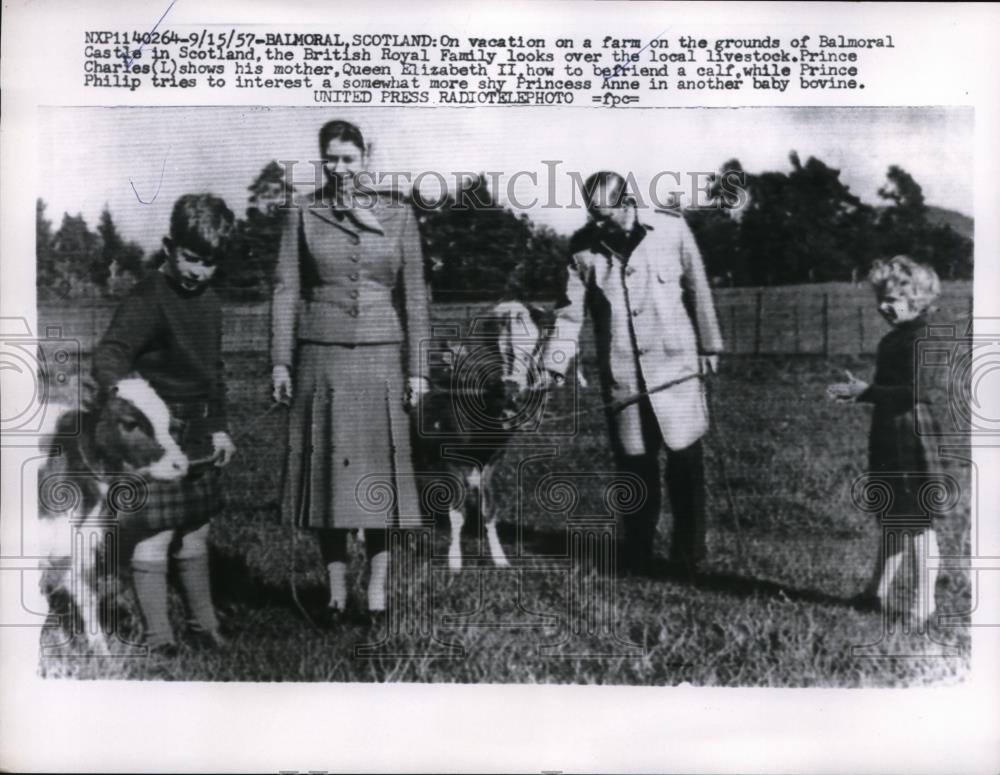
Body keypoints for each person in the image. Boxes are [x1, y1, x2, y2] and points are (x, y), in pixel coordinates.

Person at [271, 119, 431, 626]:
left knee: (380, 482)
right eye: (331, 159)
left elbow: (417, 296)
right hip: (321, 358)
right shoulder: (303, 212)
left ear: (367, 157)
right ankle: (336, 594)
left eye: (349, 158)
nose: (340, 169)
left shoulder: (401, 213)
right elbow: (284, 290)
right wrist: (279, 360)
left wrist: (419, 370)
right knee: (329, 484)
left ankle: (379, 594)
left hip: (384, 358)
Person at [541, 171, 723, 577]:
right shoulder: (581, 250)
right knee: (635, 471)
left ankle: (688, 557)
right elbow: (569, 315)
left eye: (604, 216)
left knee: (685, 465)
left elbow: (698, 288)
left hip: (677, 370)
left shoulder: (672, 230)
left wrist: (710, 345)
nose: (597, 224)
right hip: (623, 376)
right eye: (592, 216)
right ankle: (638, 555)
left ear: (627, 203)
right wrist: (555, 364)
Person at [93, 193, 237, 656]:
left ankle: (203, 623)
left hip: (198, 434)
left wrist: (219, 426)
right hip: (155, 436)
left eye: (210, 262)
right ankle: (160, 636)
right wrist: (128, 394)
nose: (198, 271)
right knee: (154, 534)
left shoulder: (211, 303)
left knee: (195, 529)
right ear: (169, 247)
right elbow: (109, 353)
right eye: (191, 259)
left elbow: (213, 371)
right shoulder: (148, 298)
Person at [827, 255, 945, 623]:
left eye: (892, 299)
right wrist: (865, 393)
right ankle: (875, 592)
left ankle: (924, 604)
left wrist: (866, 392)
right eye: (881, 298)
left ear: (918, 300)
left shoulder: (921, 338)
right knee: (894, 520)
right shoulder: (895, 338)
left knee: (917, 524)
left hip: (910, 434)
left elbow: (914, 390)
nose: (883, 306)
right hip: (890, 435)